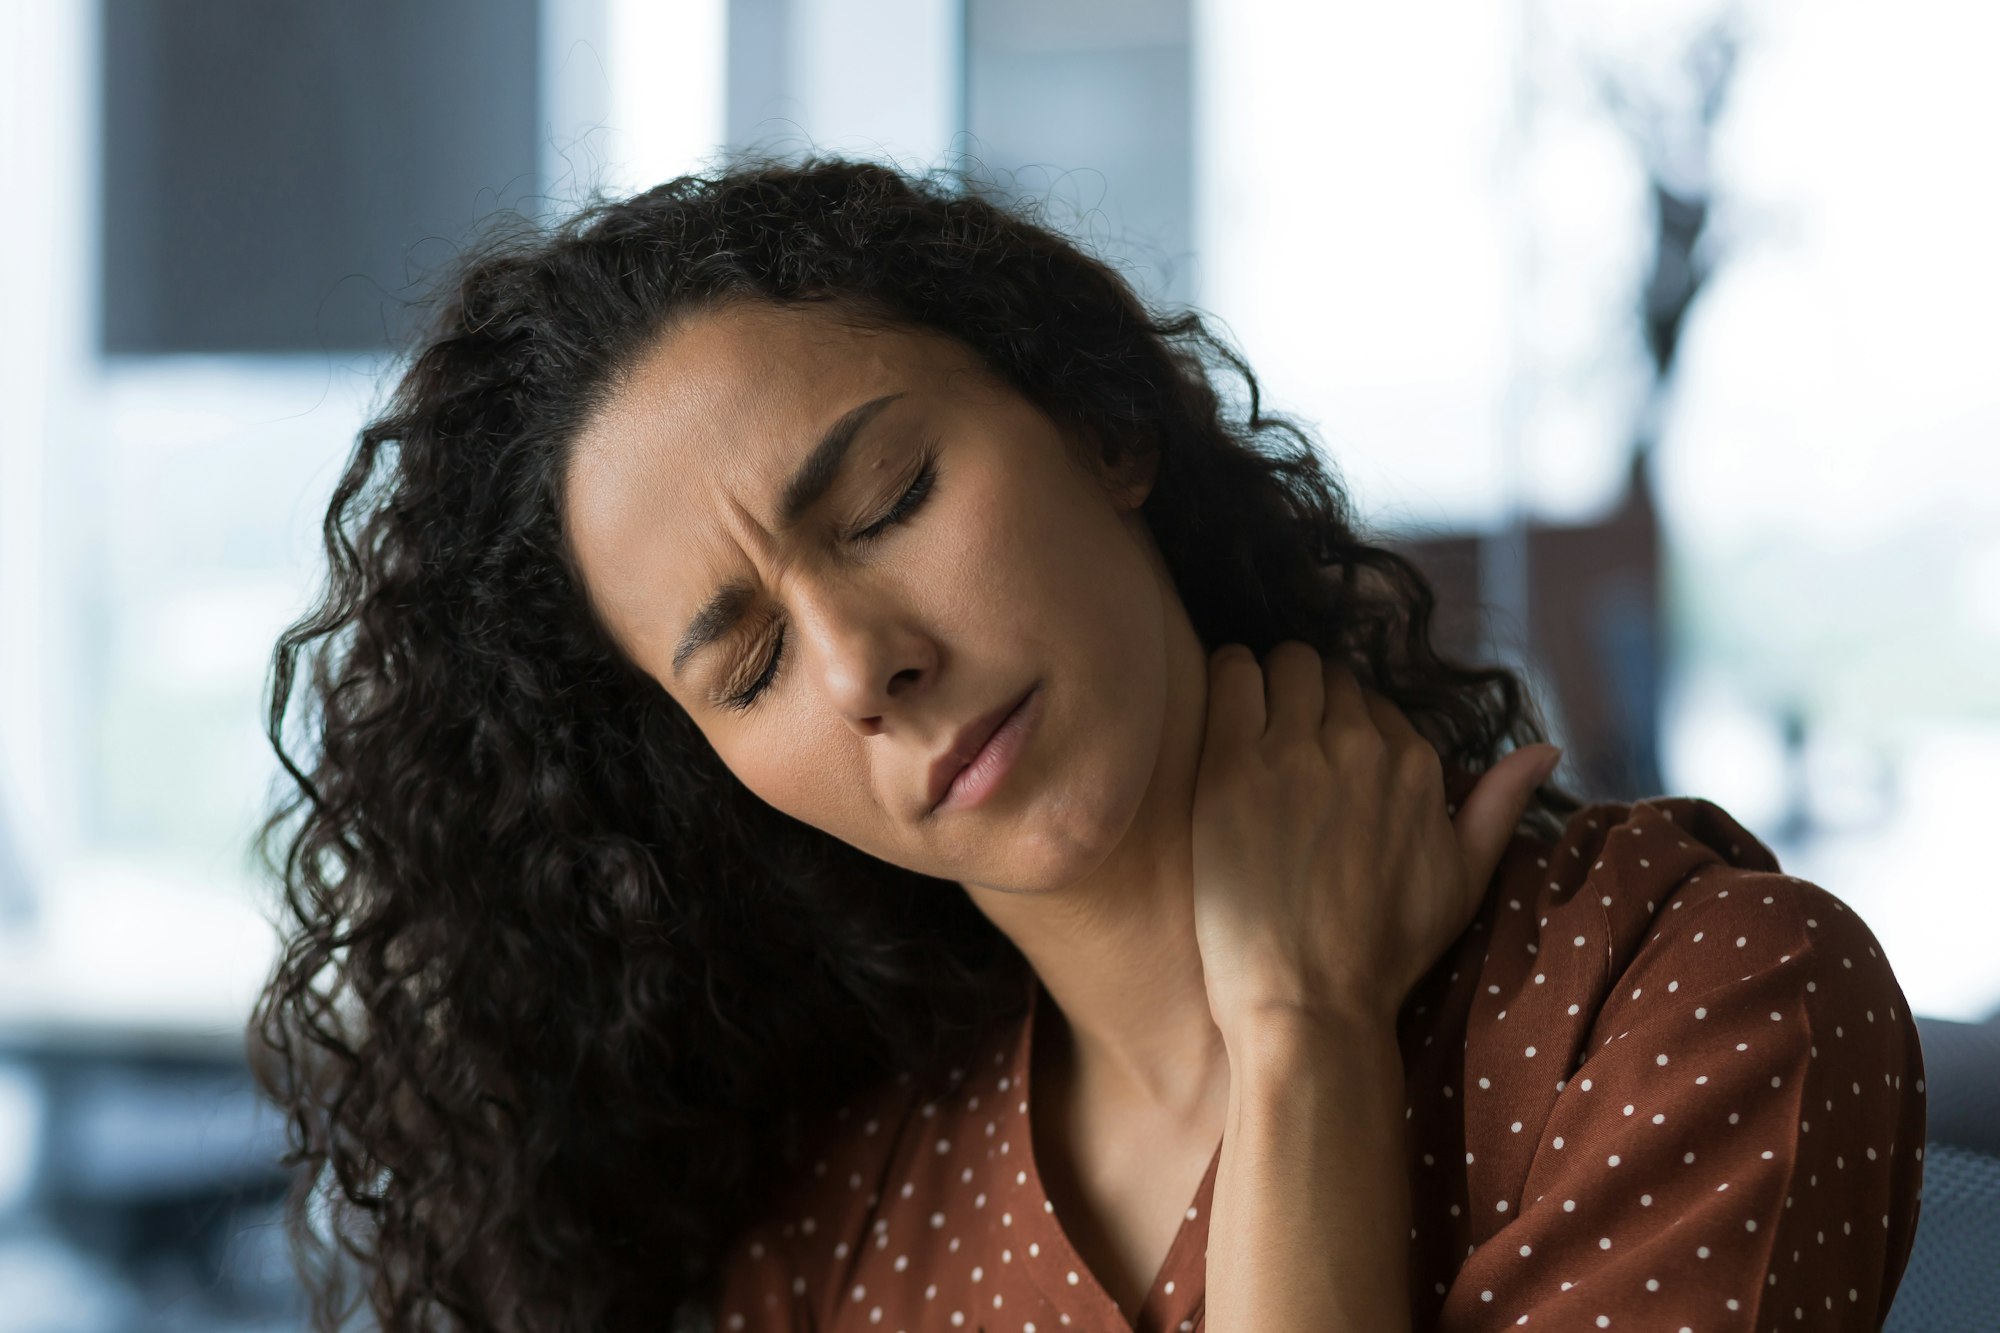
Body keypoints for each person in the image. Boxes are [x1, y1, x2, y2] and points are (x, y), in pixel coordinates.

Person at [250, 155, 1925, 1333]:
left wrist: (1300, 1030)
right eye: (749, 665)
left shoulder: (1680, 1000)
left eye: (894, 498)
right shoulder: (844, 1238)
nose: (864, 663)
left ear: (1102, 424)